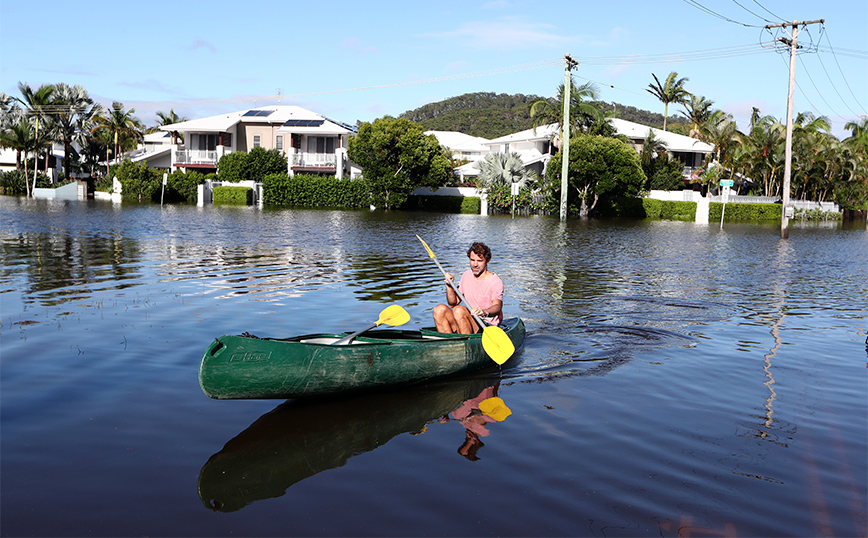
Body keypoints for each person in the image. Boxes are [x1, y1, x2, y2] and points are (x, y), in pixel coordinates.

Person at [433, 242, 503, 334]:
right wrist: (449, 286)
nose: (475, 264)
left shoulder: (495, 281)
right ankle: (448, 344)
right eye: (472, 260)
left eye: (479, 261)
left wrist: (484, 312)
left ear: (487, 260)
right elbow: (453, 303)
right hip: (470, 319)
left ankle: (465, 345)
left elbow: (497, 307)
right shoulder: (466, 275)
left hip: (486, 325)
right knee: (439, 310)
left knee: (459, 310)